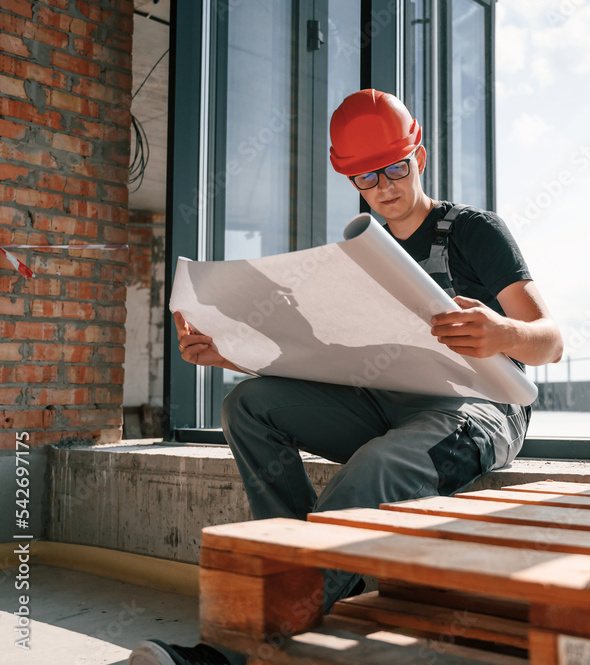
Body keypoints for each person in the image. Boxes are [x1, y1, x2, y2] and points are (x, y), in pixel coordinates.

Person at [129, 89, 562, 665]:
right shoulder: (362, 255)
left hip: (477, 410)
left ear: (420, 159)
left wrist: (503, 335)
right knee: (248, 404)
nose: (384, 187)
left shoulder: (473, 231)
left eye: (395, 168)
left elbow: (551, 340)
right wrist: (227, 353)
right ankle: (302, 567)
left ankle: (238, 648)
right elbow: (325, 360)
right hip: (384, 400)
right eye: (365, 177)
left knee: (382, 465)